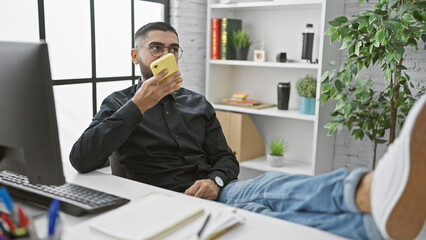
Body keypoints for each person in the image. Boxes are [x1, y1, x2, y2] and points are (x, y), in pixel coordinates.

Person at [70, 22, 426, 240]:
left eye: (173, 48)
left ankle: (370, 189)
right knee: (268, 217)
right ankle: (378, 227)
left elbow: (226, 159)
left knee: (273, 185)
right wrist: (139, 104)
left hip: (217, 192)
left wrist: (216, 181)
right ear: (136, 56)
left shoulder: (197, 103)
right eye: (157, 48)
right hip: (169, 204)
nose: (167, 54)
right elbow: (82, 158)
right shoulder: (119, 103)